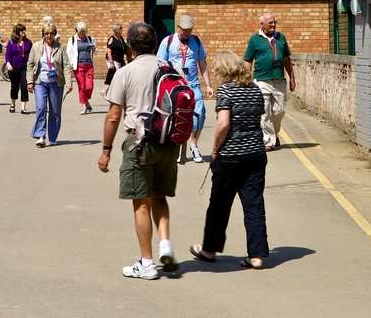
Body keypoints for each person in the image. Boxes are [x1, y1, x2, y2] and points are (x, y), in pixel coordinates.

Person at [99, 22, 179, 280]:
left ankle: (146, 263)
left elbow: (113, 116)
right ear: (155, 44)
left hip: (139, 142)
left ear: (131, 47)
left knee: (141, 202)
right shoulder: (170, 68)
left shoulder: (126, 72)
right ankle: (165, 244)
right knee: (159, 196)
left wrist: (106, 150)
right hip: (168, 143)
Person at [189, 52, 269, 269]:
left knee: (219, 205)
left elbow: (223, 123)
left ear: (223, 70)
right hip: (256, 153)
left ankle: (209, 250)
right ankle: (258, 255)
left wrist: (215, 149)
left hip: (230, 156)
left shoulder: (226, 90)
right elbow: (258, 117)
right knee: (254, 204)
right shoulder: (255, 89)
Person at [156, 14, 214, 164]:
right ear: (178, 28)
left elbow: (202, 63)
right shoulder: (167, 41)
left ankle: (193, 145)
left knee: (199, 115)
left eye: (190, 30)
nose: (187, 33)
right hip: (175, 85)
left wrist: (208, 84)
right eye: (185, 30)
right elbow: (160, 64)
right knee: (175, 116)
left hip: (193, 85)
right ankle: (174, 148)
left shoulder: (196, 41)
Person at [243, 13, 296, 151]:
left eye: (274, 22)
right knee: (264, 112)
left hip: (279, 80)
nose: (274, 25)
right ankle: (268, 141)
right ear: (262, 24)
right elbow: (248, 60)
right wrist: (246, 80)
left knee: (279, 111)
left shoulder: (281, 37)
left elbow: (286, 59)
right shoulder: (255, 40)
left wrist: (292, 78)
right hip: (261, 80)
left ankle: (274, 133)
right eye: (270, 23)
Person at [27, 22, 72, 148]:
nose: (49, 36)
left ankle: (52, 137)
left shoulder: (60, 47)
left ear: (55, 34)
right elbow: (30, 65)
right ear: (43, 34)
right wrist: (30, 81)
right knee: (41, 108)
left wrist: (69, 83)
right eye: (46, 33)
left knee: (55, 112)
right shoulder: (36, 46)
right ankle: (41, 136)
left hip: (56, 83)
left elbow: (66, 65)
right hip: (40, 82)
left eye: (51, 33)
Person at [66, 21, 96, 114]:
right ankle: (83, 105)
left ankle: (86, 102)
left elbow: (94, 51)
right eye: (81, 32)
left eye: (84, 31)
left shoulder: (89, 38)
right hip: (78, 66)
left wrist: (94, 49)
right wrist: (69, 65)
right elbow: (68, 53)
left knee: (89, 86)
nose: (83, 34)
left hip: (89, 65)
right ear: (77, 31)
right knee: (82, 86)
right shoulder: (72, 40)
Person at [5, 23, 32, 114]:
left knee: (24, 86)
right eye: (21, 30)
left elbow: (32, 54)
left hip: (24, 67)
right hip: (13, 68)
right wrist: (8, 63)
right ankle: (12, 104)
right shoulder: (11, 42)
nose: (24, 32)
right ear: (17, 32)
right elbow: (7, 55)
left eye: (24, 30)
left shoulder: (28, 42)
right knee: (14, 87)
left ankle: (23, 107)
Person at [100, 23, 131, 97]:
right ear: (117, 30)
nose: (122, 30)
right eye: (121, 29)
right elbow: (109, 51)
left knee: (115, 75)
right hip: (114, 59)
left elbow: (124, 48)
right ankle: (116, 92)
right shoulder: (112, 39)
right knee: (117, 75)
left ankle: (105, 90)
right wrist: (111, 62)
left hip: (120, 59)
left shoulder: (120, 38)